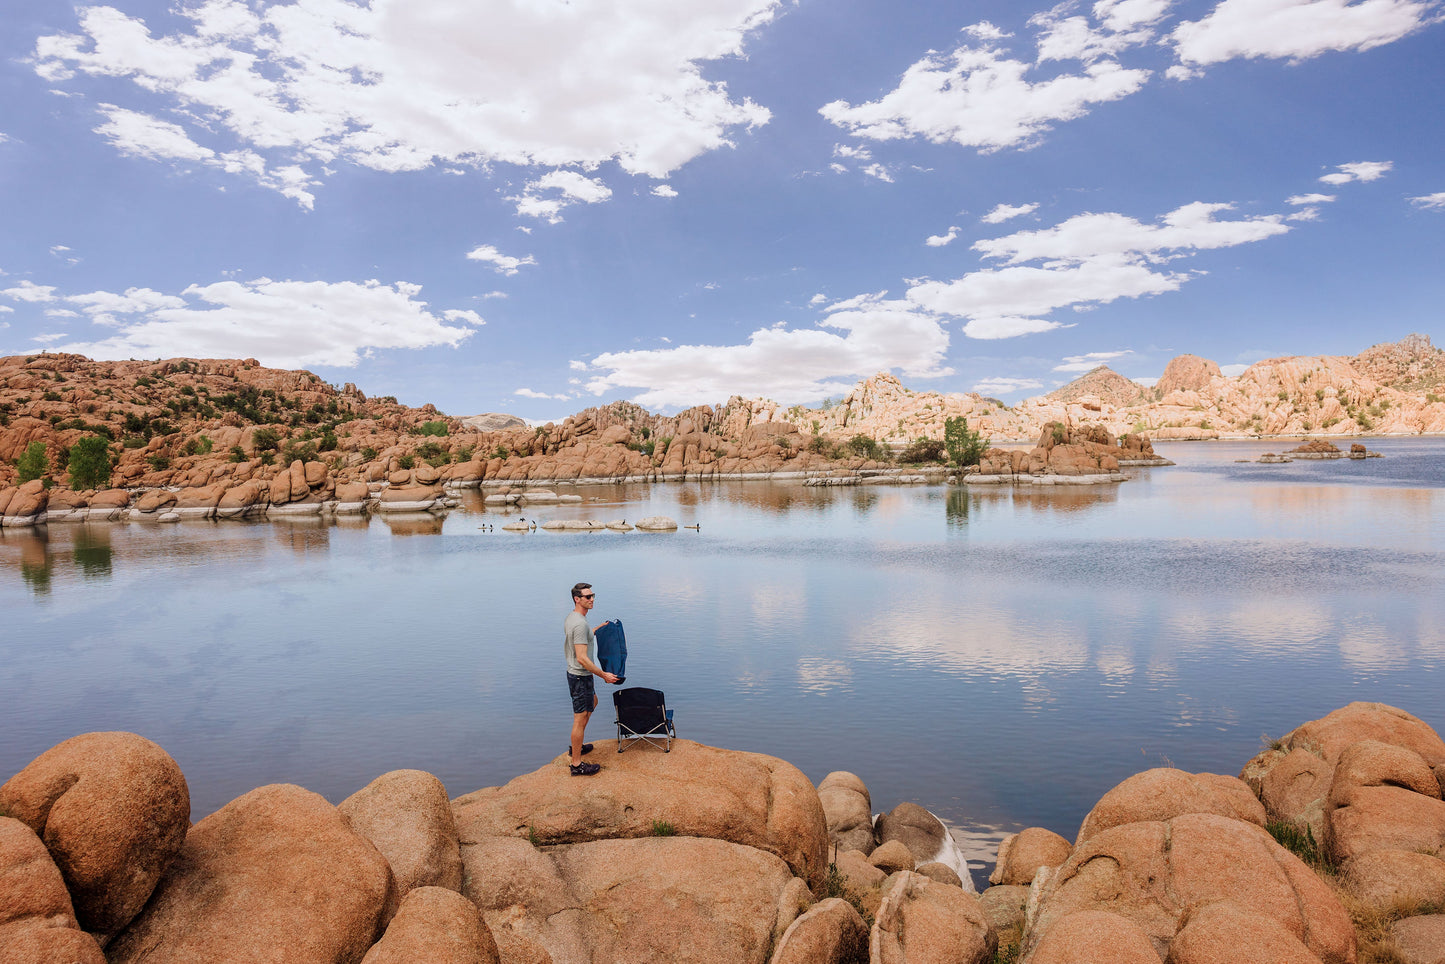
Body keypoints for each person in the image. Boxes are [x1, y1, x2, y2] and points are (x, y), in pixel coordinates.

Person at [565, 582, 619, 775]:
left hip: (580, 676)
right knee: (580, 719)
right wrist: (603, 674)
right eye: (588, 597)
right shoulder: (579, 624)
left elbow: (583, 637)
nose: (592, 599)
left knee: (592, 703)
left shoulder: (575, 618)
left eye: (593, 595)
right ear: (577, 599)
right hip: (580, 676)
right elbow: (582, 657)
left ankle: (576, 745)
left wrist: (598, 629)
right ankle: (576, 764)